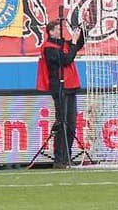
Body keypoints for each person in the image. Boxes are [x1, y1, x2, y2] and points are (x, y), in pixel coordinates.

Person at [36, 18, 87, 168]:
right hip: (59, 88)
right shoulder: (49, 47)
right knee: (62, 123)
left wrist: (80, 31)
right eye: (58, 29)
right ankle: (59, 158)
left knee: (71, 123)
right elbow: (65, 59)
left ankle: (67, 156)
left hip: (71, 87)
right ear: (51, 32)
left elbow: (78, 45)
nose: (60, 31)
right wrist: (72, 43)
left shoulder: (64, 44)